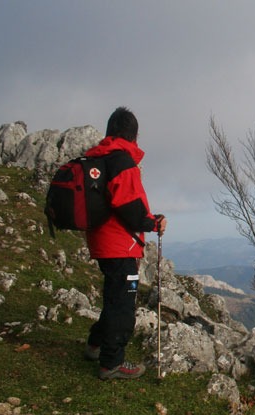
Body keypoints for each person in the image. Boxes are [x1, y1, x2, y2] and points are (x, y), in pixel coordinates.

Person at [82, 107, 167, 380]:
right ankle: (112, 363)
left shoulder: (99, 159)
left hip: (102, 242)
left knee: (114, 298)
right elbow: (130, 209)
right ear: (134, 135)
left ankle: (95, 345)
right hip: (120, 245)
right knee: (123, 306)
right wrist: (154, 223)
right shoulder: (123, 162)